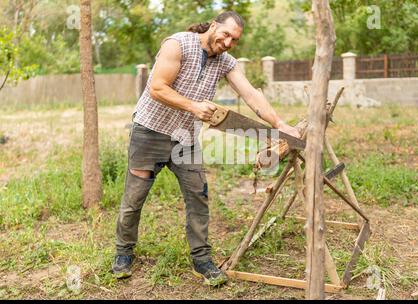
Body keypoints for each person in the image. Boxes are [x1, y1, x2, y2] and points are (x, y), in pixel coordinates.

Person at [112, 10, 300, 286]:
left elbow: (251, 95)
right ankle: (123, 253)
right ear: (213, 26)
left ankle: (201, 259)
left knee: (198, 196)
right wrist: (193, 105)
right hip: (149, 134)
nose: (227, 43)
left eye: (234, 40)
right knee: (134, 199)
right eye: (225, 35)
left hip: (185, 140)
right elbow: (157, 88)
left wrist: (280, 123)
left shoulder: (226, 62)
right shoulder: (177, 44)